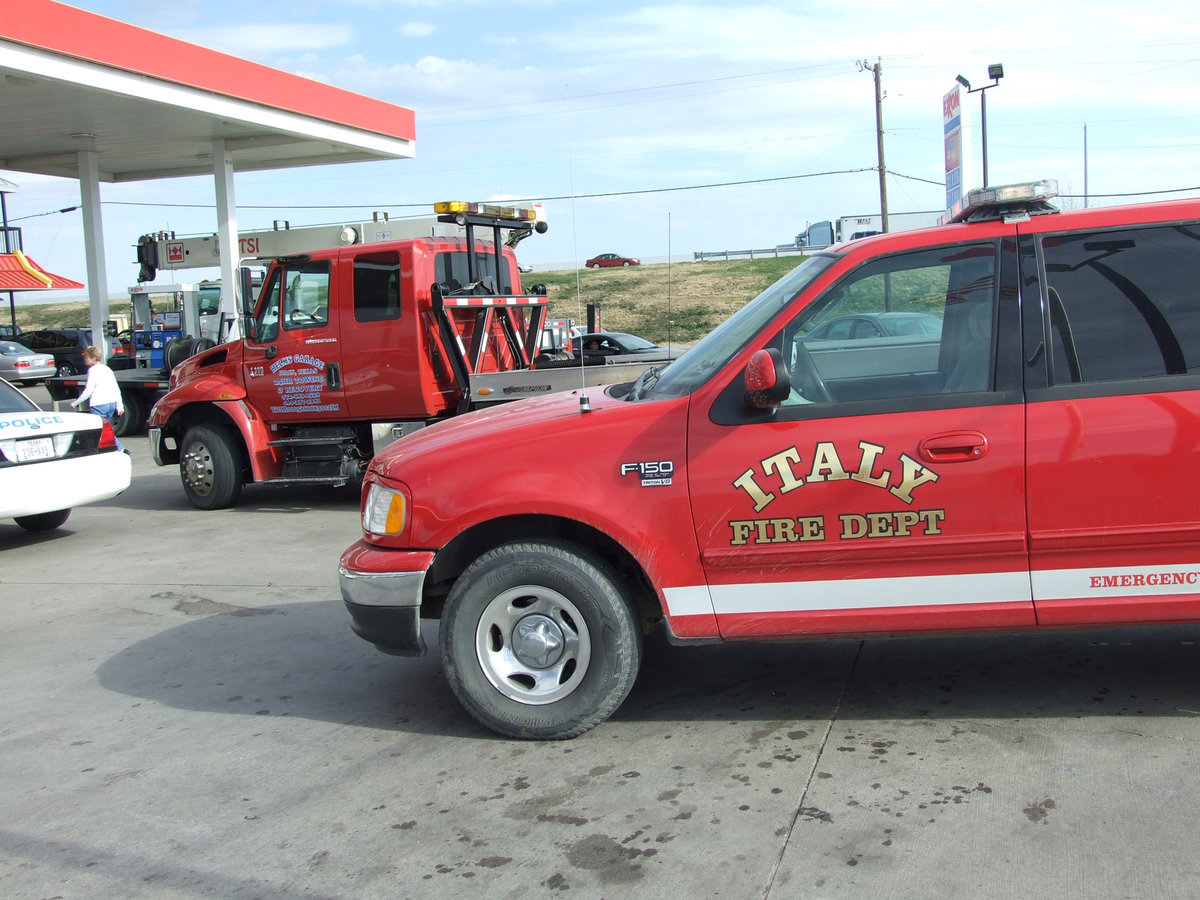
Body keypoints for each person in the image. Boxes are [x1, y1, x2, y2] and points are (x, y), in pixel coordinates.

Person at [71, 346, 127, 452]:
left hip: (98, 405)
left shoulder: (92, 371)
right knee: (104, 428)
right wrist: (119, 405)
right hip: (110, 403)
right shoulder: (107, 369)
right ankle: (108, 448)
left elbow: (89, 390)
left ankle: (120, 448)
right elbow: (115, 388)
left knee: (100, 429)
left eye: (86, 358)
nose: (85, 360)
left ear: (93, 357)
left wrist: (76, 403)